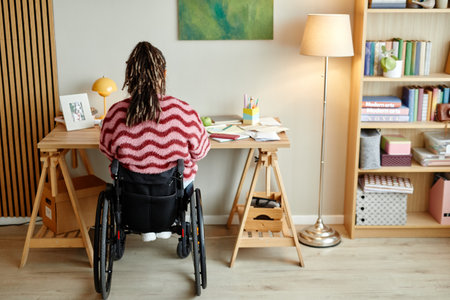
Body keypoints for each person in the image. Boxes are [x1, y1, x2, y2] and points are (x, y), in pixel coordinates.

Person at [99, 41, 210, 242]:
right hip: (172, 191)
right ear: (164, 74)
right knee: (186, 175)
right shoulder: (182, 112)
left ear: (130, 75)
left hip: (131, 191)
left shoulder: (116, 112)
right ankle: (166, 223)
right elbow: (200, 152)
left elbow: (107, 151)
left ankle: (144, 226)